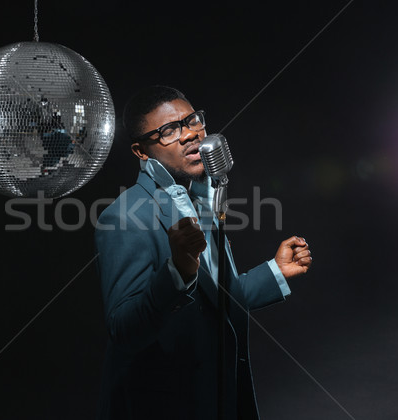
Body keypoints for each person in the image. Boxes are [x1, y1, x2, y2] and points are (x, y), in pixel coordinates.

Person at [94, 86, 312, 420]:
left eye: (192, 120)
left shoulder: (200, 200)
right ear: (141, 151)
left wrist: (274, 272)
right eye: (169, 131)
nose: (190, 134)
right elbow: (124, 330)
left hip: (218, 398)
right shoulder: (123, 217)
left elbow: (216, 300)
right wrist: (177, 271)